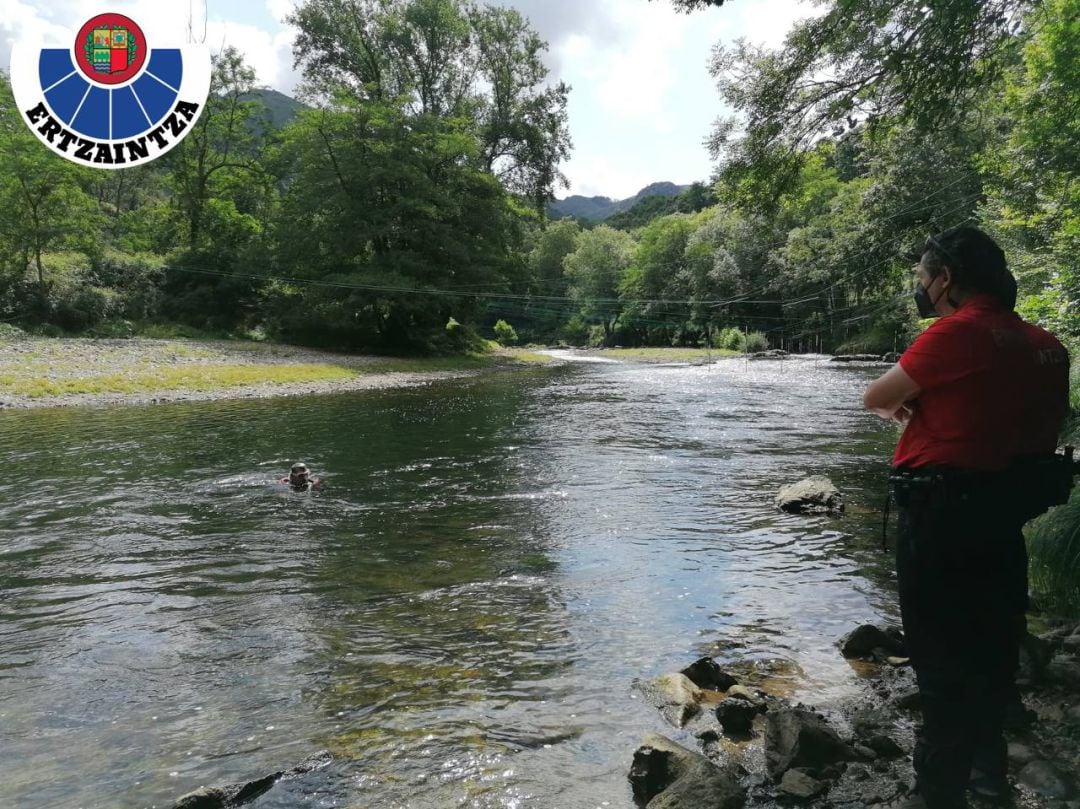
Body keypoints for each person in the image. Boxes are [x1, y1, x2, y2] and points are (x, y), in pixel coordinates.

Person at [863, 226, 1070, 809]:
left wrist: (911, 410)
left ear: (945, 278)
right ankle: (989, 781)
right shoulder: (1047, 344)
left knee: (940, 664)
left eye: (923, 276)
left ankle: (938, 795)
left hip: (940, 525)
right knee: (992, 652)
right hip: (1004, 523)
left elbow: (876, 396)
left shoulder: (953, 337)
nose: (921, 287)